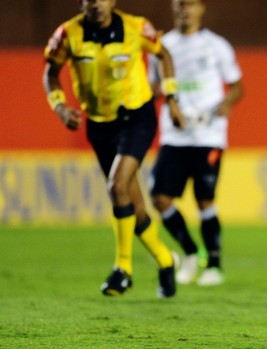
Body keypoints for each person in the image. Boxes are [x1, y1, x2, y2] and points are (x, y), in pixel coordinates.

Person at [43, 0, 183, 298]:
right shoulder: (68, 34)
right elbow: (51, 72)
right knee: (131, 204)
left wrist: (171, 99)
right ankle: (165, 260)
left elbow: (164, 54)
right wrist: (59, 107)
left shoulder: (135, 27)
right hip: (99, 124)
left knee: (116, 185)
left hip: (136, 117)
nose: (97, 4)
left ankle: (123, 269)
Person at [149, 0, 243, 286]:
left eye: (189, 4)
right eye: (179, 5)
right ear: (172, 8)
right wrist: (164, 96)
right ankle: (190, 252)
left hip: (208, 135)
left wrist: (226, 103)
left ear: (201, 8)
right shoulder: (162, 46)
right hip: (174, 134)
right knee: (159, 197)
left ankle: (214, 265)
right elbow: (152, 86)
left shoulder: (216, 45)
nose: (184, 10)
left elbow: (237, 86)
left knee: (205, 199)